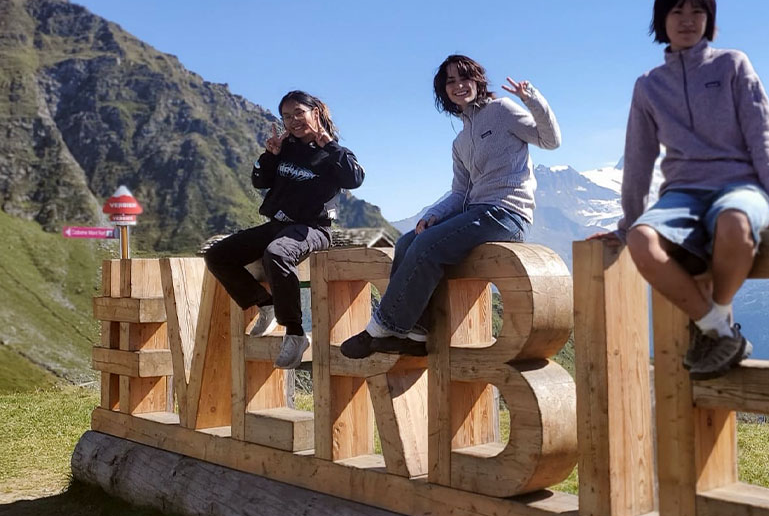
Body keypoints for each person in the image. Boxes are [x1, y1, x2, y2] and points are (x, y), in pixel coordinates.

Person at [606, 0, 769, 380]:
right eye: (677, 11)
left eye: (698, 11)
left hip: (741, 187)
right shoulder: (649, 86)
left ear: (710, 19)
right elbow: (638, 159)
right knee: (641, 238)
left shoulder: (733, 64)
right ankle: (719, 330)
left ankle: (714, 322)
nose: (687, 20)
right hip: (682, 194)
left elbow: (761, 138)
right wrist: (627, 222)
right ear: (661, 20)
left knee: (735, 222)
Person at [340, 55, 561, 358]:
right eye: (451, 81)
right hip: (476, 212)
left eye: (464, 77)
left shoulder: (502, 111)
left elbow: (550, 140)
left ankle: (378, 329)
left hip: (508, 213)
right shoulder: (459, 142)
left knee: (428, 245)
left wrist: (531, 98)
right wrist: (433, 215)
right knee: (408, 242)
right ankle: (416, 335)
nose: (459, 85)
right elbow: (461, 192)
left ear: (478, 81)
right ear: (443, 91)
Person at [205, 90, 365, 369]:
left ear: (315, 113)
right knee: (218, 254)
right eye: (286, 116)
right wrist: (269, 155)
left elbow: (355, 178)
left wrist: (327, 143)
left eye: (298, 113)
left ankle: (294, 332)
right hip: (278, 225)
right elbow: (259, 181)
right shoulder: (284, 148)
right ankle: (264, 304)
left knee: (276, 253)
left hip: (314, 228)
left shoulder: (332, 151)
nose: (293, 121)